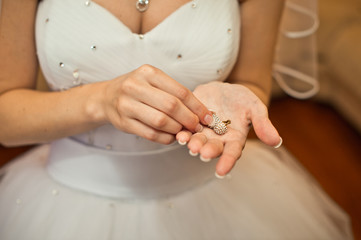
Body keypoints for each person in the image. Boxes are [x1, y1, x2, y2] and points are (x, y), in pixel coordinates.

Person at [0, 0, 353, 239]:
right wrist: (100, 101)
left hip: (214, 196)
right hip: (63, 205)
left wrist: (231, 112)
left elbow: (253, 82)